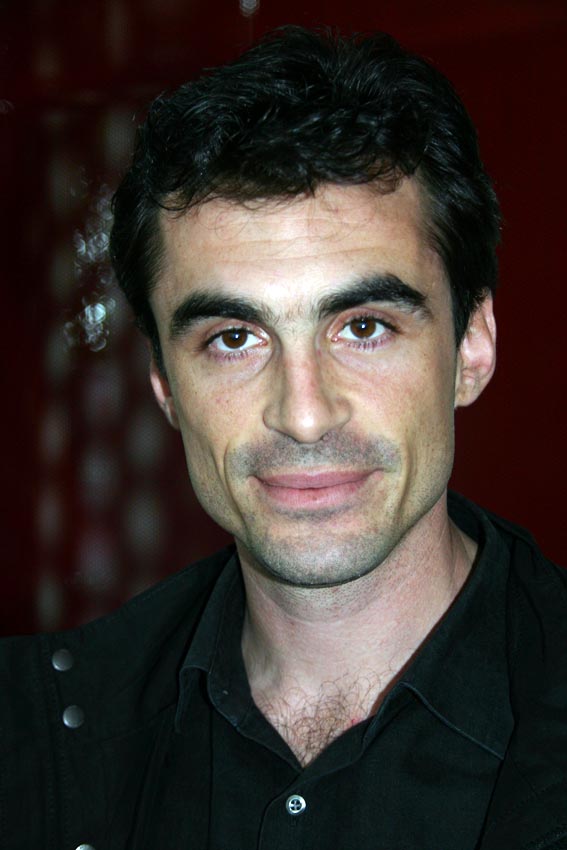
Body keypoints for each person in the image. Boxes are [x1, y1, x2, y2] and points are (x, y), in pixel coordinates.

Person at [4, 26, 567, 850]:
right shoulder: (33, 745)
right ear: (165, 386)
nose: (303, 414)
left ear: (471, 349)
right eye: (234, 338)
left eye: (363, 326)